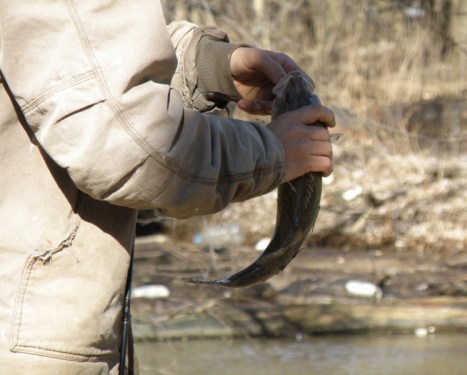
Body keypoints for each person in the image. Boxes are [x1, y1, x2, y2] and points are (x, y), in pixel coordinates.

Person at [0, 1, 335, 374]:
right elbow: (124, 146)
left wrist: (207, 67)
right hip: (26, 337)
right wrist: (272, 152)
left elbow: (82, 59)